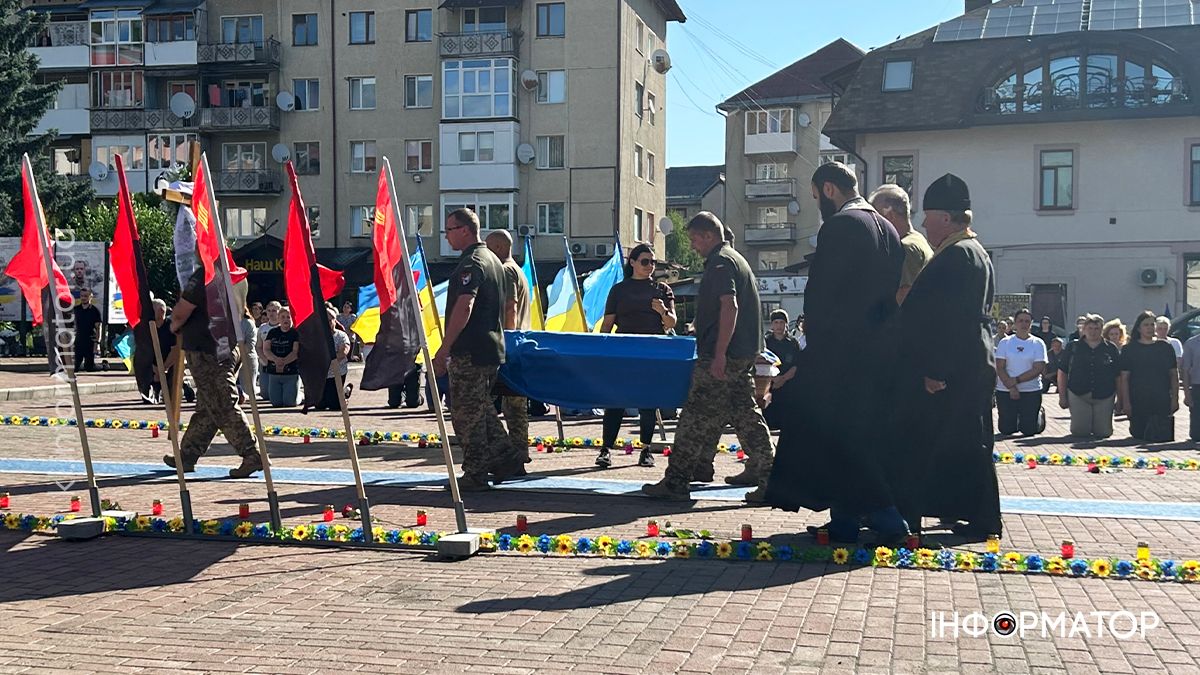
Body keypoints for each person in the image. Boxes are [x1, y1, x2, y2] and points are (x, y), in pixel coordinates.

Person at [765, 162, 906, 541]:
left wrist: (814, 348)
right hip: (877, 350)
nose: (817, 207)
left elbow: (824, 294)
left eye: (815, 197)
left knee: (842, 436)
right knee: (856, 434)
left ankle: (887, 515)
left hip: (842, 353)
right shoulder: (888, 228)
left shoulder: (841, 226)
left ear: (828, 189)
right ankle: (845, 518)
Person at [893, 173, 1001, 540]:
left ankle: (973, 517)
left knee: (947, 443)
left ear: (945, 217)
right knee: (967, 441)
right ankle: (971, 514)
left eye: (928, 215)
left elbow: (948, 320)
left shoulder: (958, 256)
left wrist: (933, 368)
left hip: (953, 368)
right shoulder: (972, 252)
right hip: (968, 363)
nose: (923, 223)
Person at [642, 212, 775, 501]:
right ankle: (768, 475)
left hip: (725, 354)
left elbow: (730, 307)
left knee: (694, 416)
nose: (692, 246)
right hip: (740, 353)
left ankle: (676, 482)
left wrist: (719, 354)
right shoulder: (735, 259)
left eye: (694, 239)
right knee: (745, 416)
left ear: (709, 236)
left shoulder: (720, 263)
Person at [433, 208, 522, 491]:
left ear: (465, 230)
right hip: (490, 348)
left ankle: (475, 472)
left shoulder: (472, 262)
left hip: (470, 350)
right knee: (481, 408)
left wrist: (444, 348)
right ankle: (506, 456)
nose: (446, 236)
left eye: (449, 230)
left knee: (465, 414)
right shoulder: (493, 260)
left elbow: (465, 306)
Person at [164, 267, 261, 477]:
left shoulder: (204, 274)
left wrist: (173, 326)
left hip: (206, 349)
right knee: (208, 405)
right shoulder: (238, 275)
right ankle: (188, 454)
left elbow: (182, 311)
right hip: (227, 345)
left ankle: (251, 454)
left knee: (222, 402)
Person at [598, 242, 676, 468]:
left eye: (653, 262)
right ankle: (606, 449)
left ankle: (646, 449)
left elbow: (671, 323)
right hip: (623, 353)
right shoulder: (619, 290)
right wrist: (602, 349)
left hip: (652, 353)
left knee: (648, 402)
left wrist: (662, 311)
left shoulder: (662, 290)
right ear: (632, 263)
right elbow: (608, 324)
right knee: (615, 401)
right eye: (645, 261)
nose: (650, 266)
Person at [486, 230, 532, 470]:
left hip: (508, 344)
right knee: (516, 407)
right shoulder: (519, 271)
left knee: (484, 402)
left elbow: (509, 307)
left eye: (488, 247)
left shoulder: (504, 271)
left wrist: (506, 340)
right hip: (520, 345)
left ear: (499, 248)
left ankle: (508, 454)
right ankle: (519, 453)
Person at [1057, 314, 1120, 439]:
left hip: (1105, 394)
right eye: (1090, 328)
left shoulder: (1111, 348)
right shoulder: (1073, 347)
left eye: (1096, 329)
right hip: (1078, 393)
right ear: (1083, 329)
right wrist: (1062, 397)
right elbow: (1062, 372)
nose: (1093, 332)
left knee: (1103, 433)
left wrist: (1121, 400)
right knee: (1080, 432)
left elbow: (1118, 376)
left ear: (1102, 330)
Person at [1120, 310, 1179, 441]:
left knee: (1161, 436)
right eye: (1146, 325)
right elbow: (1124, 378)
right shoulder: (1129, 349)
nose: (1150, 328)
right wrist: (1126, 402)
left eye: (1152, 325)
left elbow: (1173, 375)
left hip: (1161, 398)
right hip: (1138, 399)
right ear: (1139, 328)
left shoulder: (1165, 347)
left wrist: (1175, 398)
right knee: (1139, 434)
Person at [868, 183, 931, 305]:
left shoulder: (905, 248)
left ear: (890, 215)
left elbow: (903, 295)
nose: (872, 222)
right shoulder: (918, 239)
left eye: (876, 216)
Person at [995, 308, 1048, 436]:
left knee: (1028, 431)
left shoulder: (1038, 343)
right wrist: (1012, 387)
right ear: (1015, 324)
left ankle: (1038, 415)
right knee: (1007, 430)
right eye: (1020, 321)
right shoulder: (1005, 342)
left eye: (1027, 321)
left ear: (1031, 323)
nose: (1024, 324)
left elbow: (1038, 368)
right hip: (1006, 389)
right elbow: (1000, 367)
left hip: (1030, 390)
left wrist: (1017, 380)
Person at [762, 309, 802, 431]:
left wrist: (783, 379)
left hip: (788, 385)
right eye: (776, 322)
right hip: (769, 386)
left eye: (781, 322)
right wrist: (774, 379)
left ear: (786, 324)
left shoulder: (793, 343)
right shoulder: (765, 342)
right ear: (772, 324)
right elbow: (761, 363)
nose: (779, 326)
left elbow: (796, 365)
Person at [313, 309, 353, 411]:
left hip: (337, 372)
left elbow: (344, 351)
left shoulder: (341, 335)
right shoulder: (316, 336)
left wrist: (330, 360)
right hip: (321, 374)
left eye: (330, 320)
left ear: (335, 321)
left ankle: (345, 393)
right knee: (320, 405)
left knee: (335, 406)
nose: (328, 322)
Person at [263, 307, 300, 407]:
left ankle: (299, 396)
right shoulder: (272, 332)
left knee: (289, 403)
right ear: (278, 319)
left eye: (288, 317)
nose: (285, 319)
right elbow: (266, 349)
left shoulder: (295, 333)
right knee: (276, 403)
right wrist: (275, 360)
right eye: (282, 317)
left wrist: (284, 362)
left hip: (291, 372)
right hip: (273, 372)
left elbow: (295, 351)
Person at [72, 289, 102, 372]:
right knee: (75, 367)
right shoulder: (76, 310)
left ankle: (103, 366)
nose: (83, 298)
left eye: (86, 296)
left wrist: (97, 343)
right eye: (82, 296)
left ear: (90, 297)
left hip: (90, 341)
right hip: (79, 340)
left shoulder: (94, 311)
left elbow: (98, 327)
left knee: (89, 368)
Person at [256, 301, 281, 398]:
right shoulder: (262, 328)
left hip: (281, 363)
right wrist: (265, 360)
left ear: (279, 311)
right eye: (269, 311)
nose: (271, 313)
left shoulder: (283, 327)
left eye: (274, 311)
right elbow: (258, 346)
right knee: (266, 395)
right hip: (266, 364)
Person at [1182, 330, 1200, 441]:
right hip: (1197, 386)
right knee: (1196, 434)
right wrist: (1187, 394)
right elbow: (1185, 370)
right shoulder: (1191, 343)